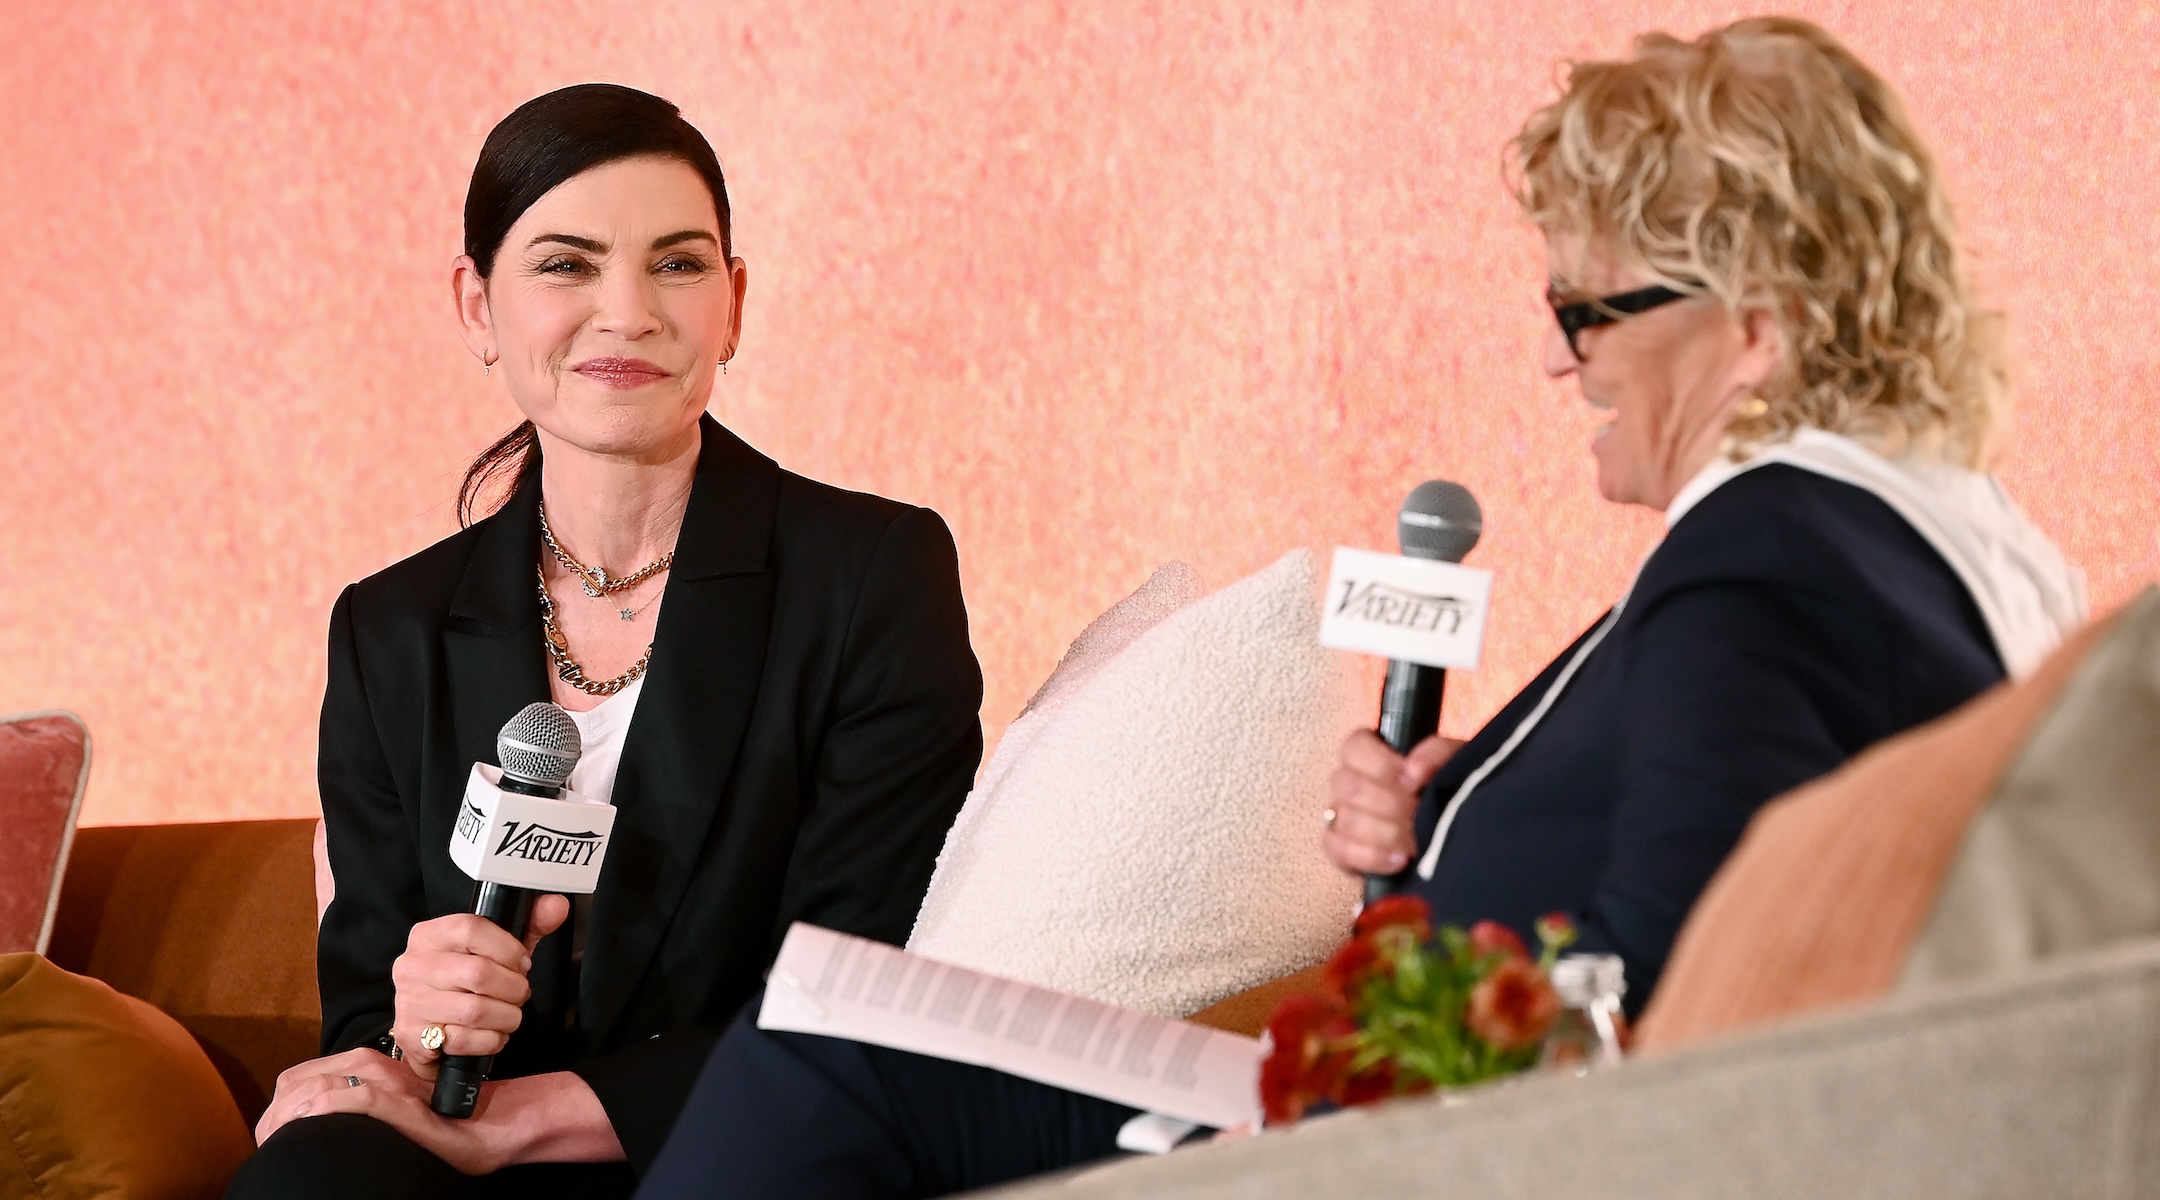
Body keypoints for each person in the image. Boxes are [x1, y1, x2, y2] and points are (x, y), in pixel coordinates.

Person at [630, 18, 2084, 1199]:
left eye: (1588, 315)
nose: (1562, 366)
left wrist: (1321, 1115)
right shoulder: (1930, 556)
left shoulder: (1763, 552)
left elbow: (1630, 992)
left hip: (1374, 1142)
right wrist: (1441, 833)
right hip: (1384, 1110)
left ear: (1756, 326)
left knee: (819, 1062)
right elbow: (1681, 873)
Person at [224, 84, 985, 1198]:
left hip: (745, 1144)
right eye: (566, 265)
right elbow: (370, 1024)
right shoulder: (389, 629)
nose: (626, 312)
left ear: (733, 302)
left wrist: (517, 1125)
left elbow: (861, 985)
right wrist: (421, 1017)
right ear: (478, 307)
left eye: (677, 265)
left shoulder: (871, 573)